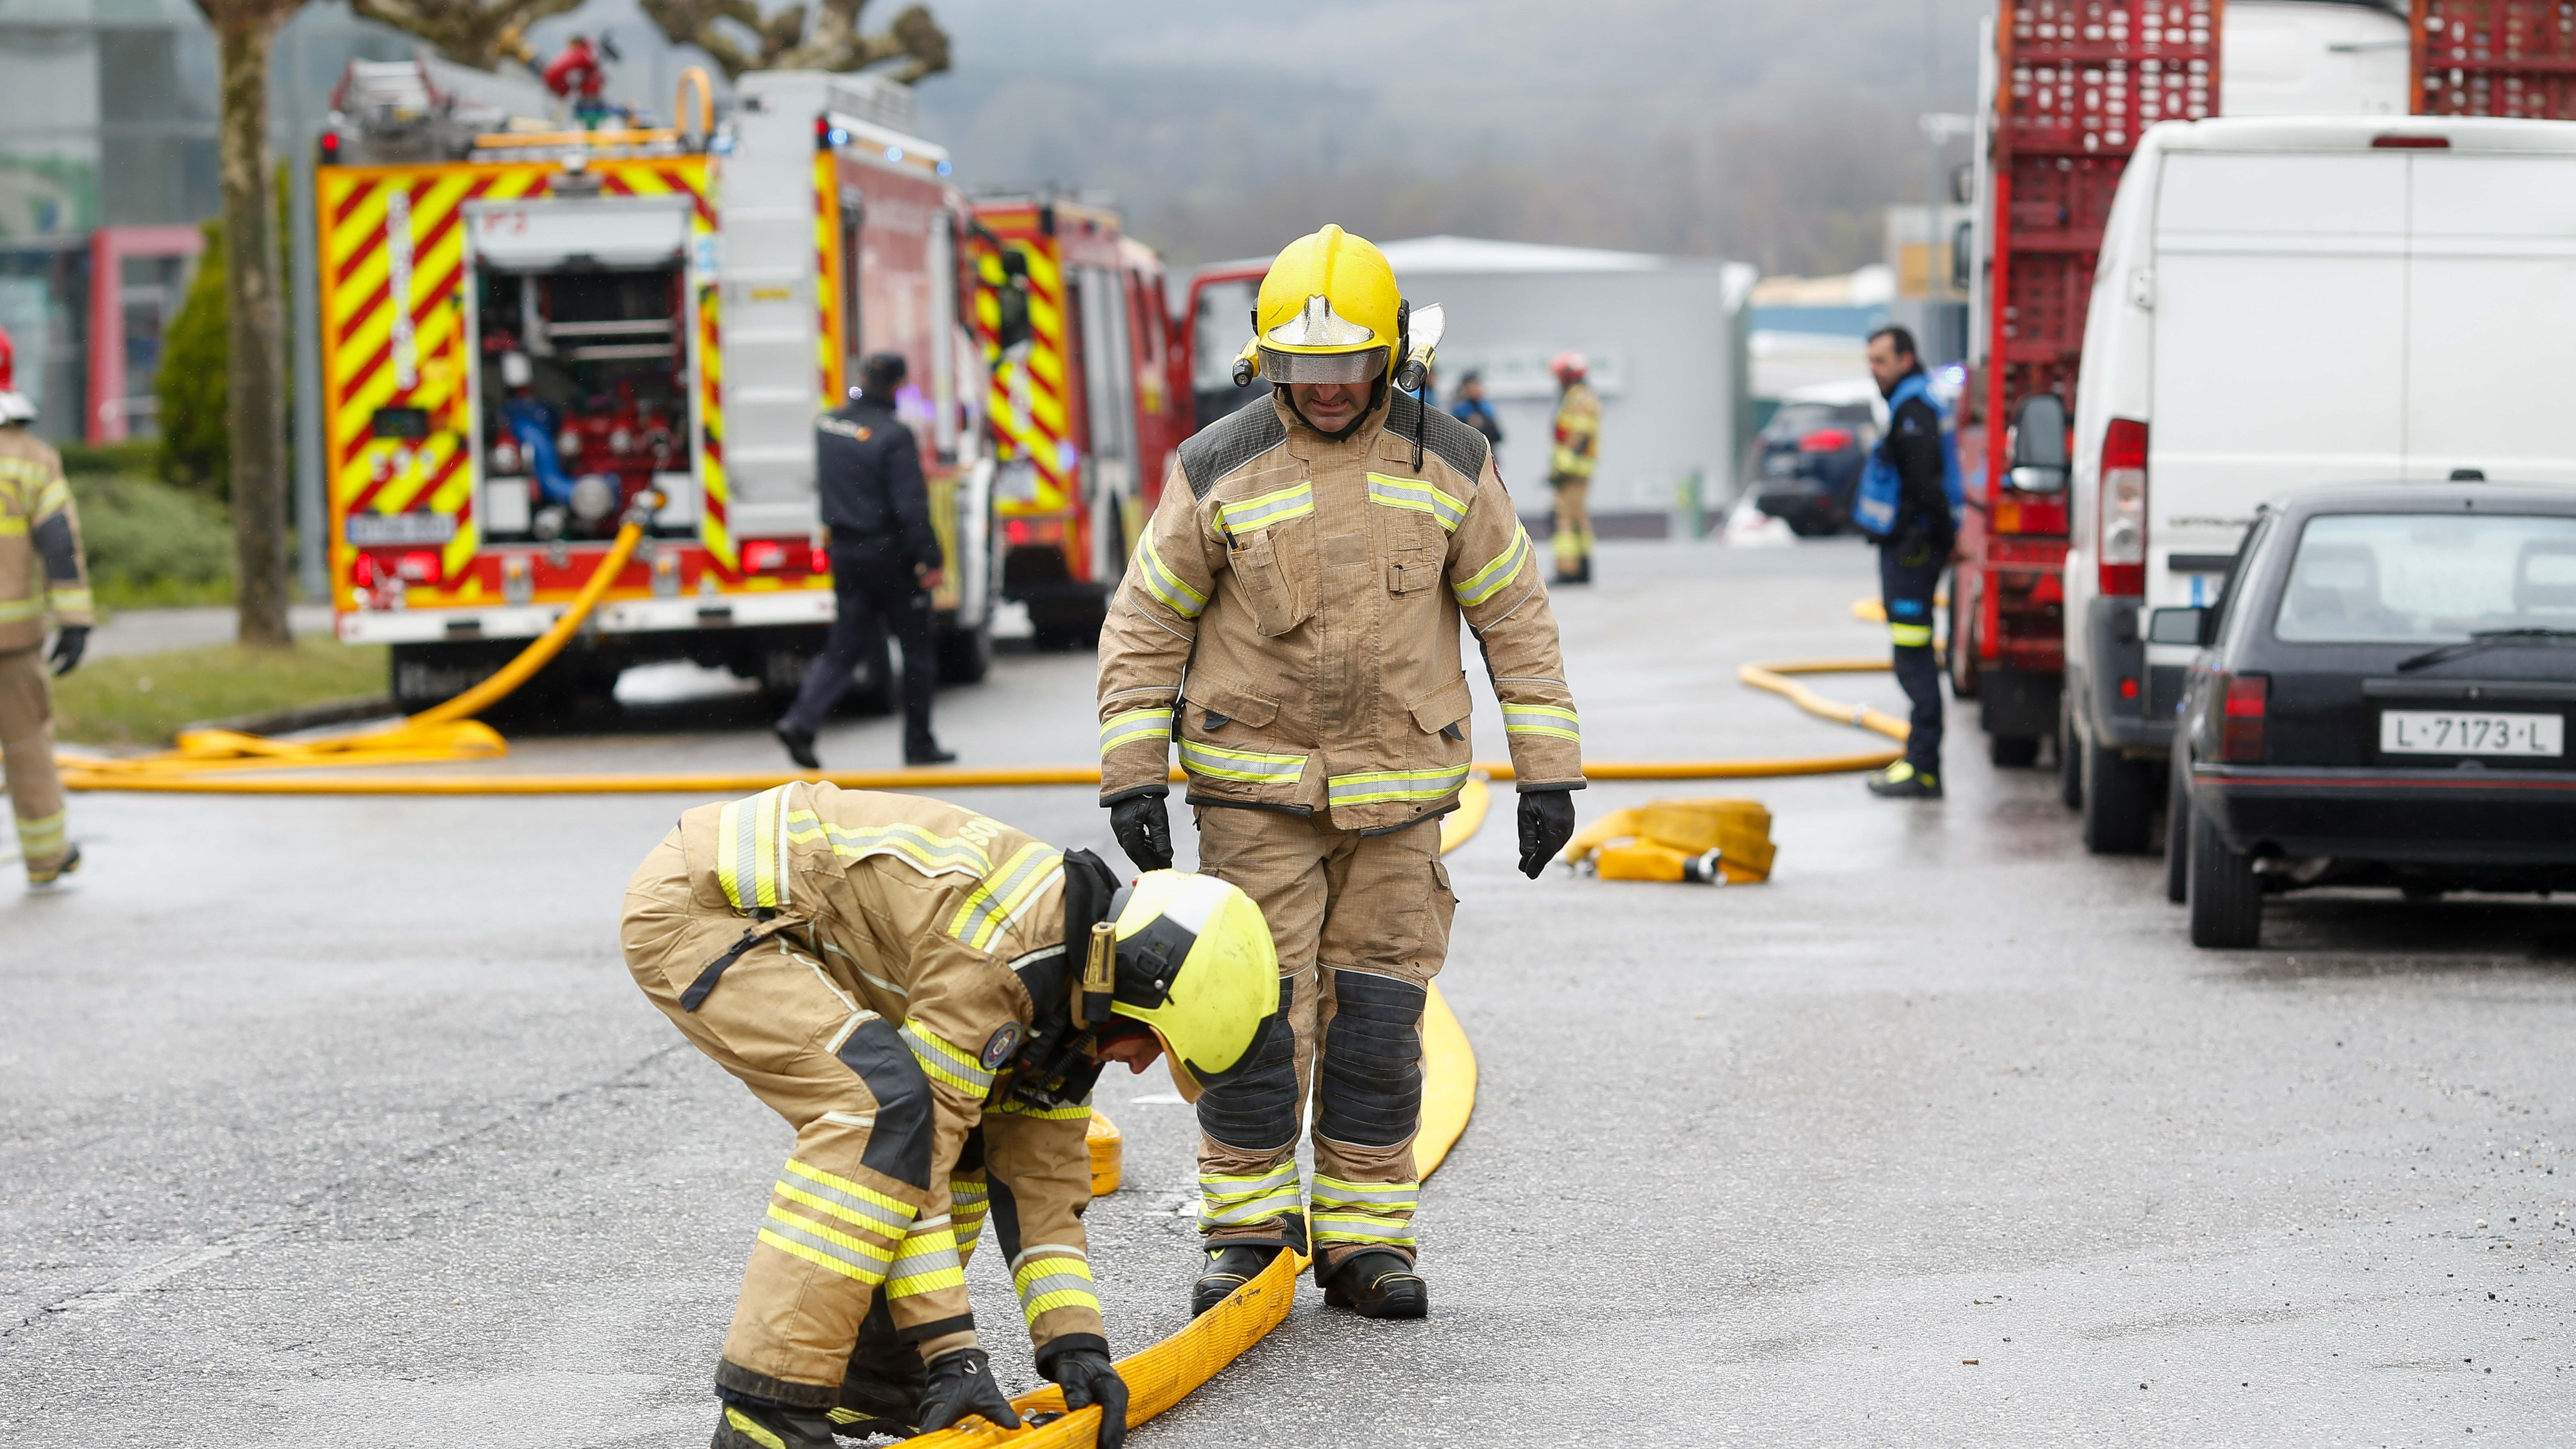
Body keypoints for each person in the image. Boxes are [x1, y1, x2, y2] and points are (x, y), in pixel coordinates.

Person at [1091, 224, 1584, 1322]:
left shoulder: (1451, 460)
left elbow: (1516, 616)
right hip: (1254, 799)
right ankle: (1249, 1231)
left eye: (1345, 367)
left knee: (1376, 1019)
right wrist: (1134, 772)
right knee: (1256, 1021)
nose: (1323, 389)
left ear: (1393, 356)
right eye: (1300, 370)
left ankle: (1368, 1242)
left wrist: (1548, 773)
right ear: (1264, 361)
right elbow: (1146, 621)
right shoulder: (1218, 466)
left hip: (1401, 797)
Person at [621, 781, 1285, 1449]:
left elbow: (1042, 1187)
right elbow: (922, 1153)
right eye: (1154, 1045)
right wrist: (953, 1350)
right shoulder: (1006, 953)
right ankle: (765, 1409)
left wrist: (1075, 1346)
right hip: (702, 909)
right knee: (880, 1111)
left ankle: (873, 1383)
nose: (1140, 1066)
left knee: (955, 1137)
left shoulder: (1078, 994)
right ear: (1141, 990)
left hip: (784, 919)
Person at [775, 352, 953, 770]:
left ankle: (801, 721)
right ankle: (919, 744)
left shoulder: (827, 425)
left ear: (862, 378)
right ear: (897, 386)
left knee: (845, 646)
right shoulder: (894, 435)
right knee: (916, 651)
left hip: (845, 552)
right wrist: (930, 558)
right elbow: (910, 506)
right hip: (889, 555)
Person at [0, 325, 89, 887]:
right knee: (28, 746)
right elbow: (60, 544)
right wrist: (75, 622)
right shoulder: (34, 460)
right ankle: (47, 856)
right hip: (16, 643)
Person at [1855, 324, 1960, 800]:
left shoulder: (1913, 410)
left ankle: (1924, 767)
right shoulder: (1911, 403)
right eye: (1870, 360)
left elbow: (1925, 486)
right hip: (1910, 549)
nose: (1874, 369)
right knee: (1911, 660)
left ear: (1906, 358)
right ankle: (1921, 762)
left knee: (1914, 663)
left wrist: (1939, 540)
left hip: (1912, 552)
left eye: (1881, 360)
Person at [1546, 352, 1599, 584]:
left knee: (1565, 519)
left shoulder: (1578, 400)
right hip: (1576, 470)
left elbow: (1579, 437)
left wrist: (1562, 468)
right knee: (1578, 519)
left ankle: (1569, 571)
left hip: (1572, 472)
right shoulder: (1580, 398)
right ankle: (1582, 569)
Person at [1449, 370, 1503, 449]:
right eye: (1473, 386)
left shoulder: (1485, 406)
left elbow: (1498, 436)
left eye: (1478, 386)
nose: (1477, 389)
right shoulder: (1460, 409)